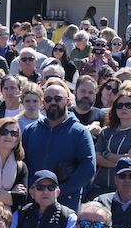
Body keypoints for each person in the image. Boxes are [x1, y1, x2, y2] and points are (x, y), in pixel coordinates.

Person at [21, 81, 96, 210]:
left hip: (66, 203)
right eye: (48, 99)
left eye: (58, 98)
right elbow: (21, 162)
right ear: (43, 103)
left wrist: (59, 190)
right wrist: (33, 188)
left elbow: (88, 168)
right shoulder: (30, 130)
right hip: (32, 202)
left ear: (68, 101)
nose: (53, 102)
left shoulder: (80, 132)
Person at [89, 91, 131, 199]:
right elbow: (96, 158)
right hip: (99, 186)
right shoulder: (106, 131)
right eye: (119, 106)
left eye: (128, 105)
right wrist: (122, 161)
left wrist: (106, 154)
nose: (123, 108)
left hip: (126, 189)